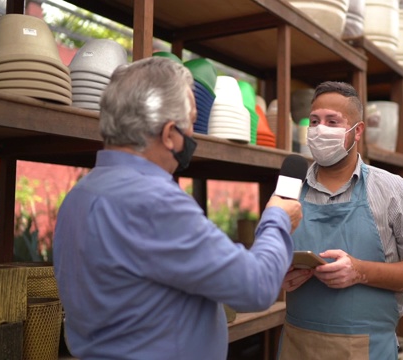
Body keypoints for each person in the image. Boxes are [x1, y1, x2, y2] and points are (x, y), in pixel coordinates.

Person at [53, 56, 302, 360]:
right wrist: (277, 219)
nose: (193, 135)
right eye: (191, 122)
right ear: (170, 133)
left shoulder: (79, 196)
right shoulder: (156, 202)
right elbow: (257, 288)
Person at [279, 81, 403, 359]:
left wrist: (359, 271)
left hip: (366, 349)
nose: (321, 130)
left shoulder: (394, 191)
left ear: (358, 131)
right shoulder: (288, 188)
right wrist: (278, 277)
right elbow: (265, 257)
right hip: (298, 344)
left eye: (333, 121)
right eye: (315, 121)